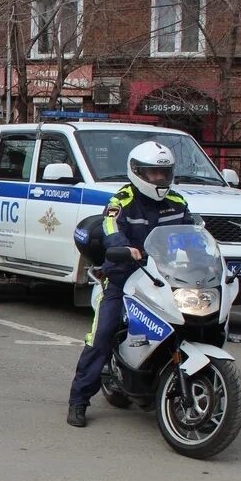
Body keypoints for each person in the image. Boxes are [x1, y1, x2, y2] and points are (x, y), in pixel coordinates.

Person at [67, 141, 190, 427]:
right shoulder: (120, 201)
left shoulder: (178, 202)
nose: (159, 179)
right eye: (152, 173)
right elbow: (110, 227)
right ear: (137, 172)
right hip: (123, 277)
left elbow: (193, 230)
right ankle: (78, 400)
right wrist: (123, 246)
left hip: (165, 277)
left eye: (164, 173)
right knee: (103, 334)